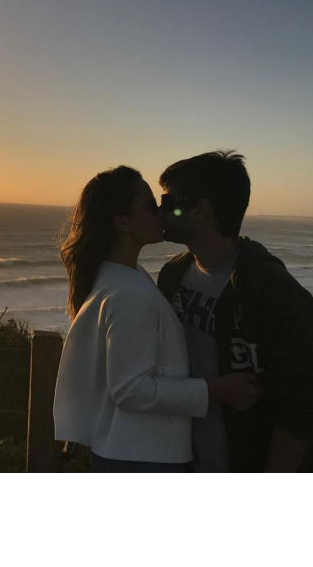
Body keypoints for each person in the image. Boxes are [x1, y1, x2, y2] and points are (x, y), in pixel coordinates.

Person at [53, 165, 261, 473]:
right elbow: (130, 390)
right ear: (123, 221)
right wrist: (215, 389)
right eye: (151, 205)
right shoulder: (130, 292)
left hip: (121, 448)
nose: (162, 213)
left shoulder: (115, 276)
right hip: (143, 455)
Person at [157, 150, 313, 472]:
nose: (160, 211)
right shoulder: (172, 275)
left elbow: (302, 404)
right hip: (184, 458)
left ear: (200, 209)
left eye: (169, 201)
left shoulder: (273, 291)